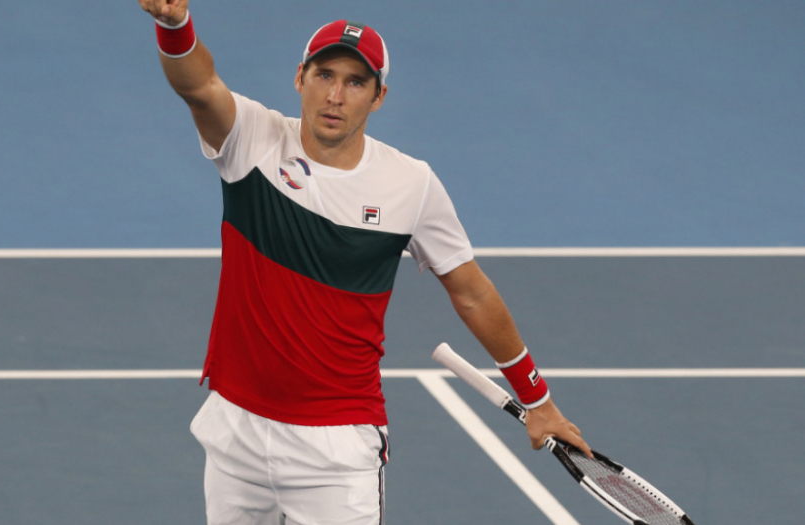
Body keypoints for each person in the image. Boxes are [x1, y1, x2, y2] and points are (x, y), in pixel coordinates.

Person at [137, 2, 591, 524]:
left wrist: (538, 399)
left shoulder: (411, 185)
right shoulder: (252, 140)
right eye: (324, 75)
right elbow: (198, 86)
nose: (335, 95)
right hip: (235, 430)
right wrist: (174, 24)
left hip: (336, 450)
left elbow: (472, 292)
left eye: (355, 82)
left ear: (379, 97)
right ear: (299, 78)